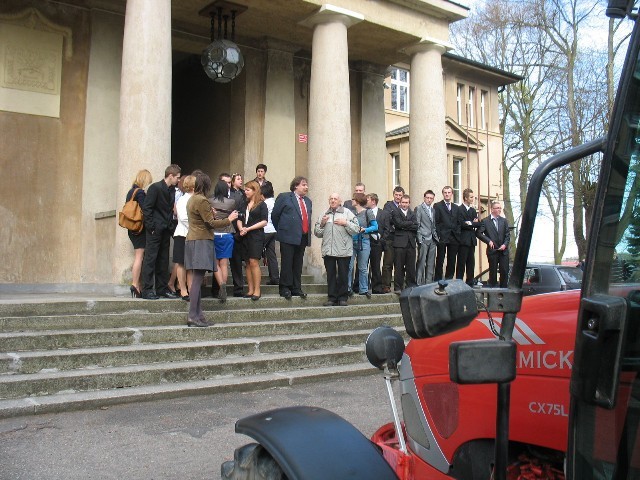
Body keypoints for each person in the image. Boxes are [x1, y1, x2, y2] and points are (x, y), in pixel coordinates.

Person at [185, 173, 237, 327]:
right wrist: (229, 220)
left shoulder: (192, 199)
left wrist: (211, 214)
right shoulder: (202, 200)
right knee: (197, 280)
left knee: (197, 278)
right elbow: (210, 224)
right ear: (206, 185)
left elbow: (201, 219)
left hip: (193, 239)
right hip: (201, 240)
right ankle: (193, 316)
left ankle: (198, 314)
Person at [140, 164, 181, 300]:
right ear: (171, 176)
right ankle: (147, 289)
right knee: (150, 259)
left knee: (163, 260)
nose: (179, 180)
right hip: (155, 230)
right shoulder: (155, 188)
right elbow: (147, 208)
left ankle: (161, 289)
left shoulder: (173, 190)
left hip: (165, 229)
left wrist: (170, 227)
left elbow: (169, 210)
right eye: (177, 178)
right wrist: (151, 227)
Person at [314, 193, 360, 306]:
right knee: (330, 275)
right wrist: (322, 224)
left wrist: (346, 223)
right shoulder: (324, 214)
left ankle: (343, 298)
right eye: (331, 199)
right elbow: (317, 233)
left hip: (343, 250)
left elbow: (356, 229)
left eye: (335, 199)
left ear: (340, 201)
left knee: (343, 275)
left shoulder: (347, 213)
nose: (333, 201)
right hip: (328, 250)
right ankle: (332, 298)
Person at [272, 176, 312, 300]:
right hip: (287, 236)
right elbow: (275, 215)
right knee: (287, 262)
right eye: (304, 184)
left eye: (306, 185)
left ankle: (296, 288)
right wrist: (282, 230)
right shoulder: (284, 197)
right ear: (296, 186)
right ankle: (285, 288)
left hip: (302, 236)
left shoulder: (308, 201)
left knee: (298, 263)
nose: (306, 187)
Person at [236, 180, 268, 300]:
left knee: (254, 262)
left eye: (248, 190)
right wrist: (241, 229)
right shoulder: (243, 204)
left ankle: (257, 290)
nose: (245, 192)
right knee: (247, 263)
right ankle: (250, 289)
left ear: (254, 190)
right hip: (245, 236)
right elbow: (239, 218)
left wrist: (248, 228)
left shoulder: (261, 204)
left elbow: (264, 221)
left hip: (256, 236)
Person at [209, 179, 237, 303]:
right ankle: (224, 285)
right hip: (227, 234)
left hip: (213, 233)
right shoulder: (232, 202)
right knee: (224, 264)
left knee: (216, 264)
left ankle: (221, 286)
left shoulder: (210, 201)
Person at [126, 169, 153, 298]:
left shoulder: (131, 192)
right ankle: (135, 284)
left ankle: (137, 285)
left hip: (132, 228)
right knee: (139, 256)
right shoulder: (140, 193)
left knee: (138, 255)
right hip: (140, 228)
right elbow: (146, 209)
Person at [348, 193, 378, 298]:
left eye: (353, 199)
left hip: (364, 241)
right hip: (351, 242)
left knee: (362, 267)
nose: (351, 200)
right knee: (349, 266)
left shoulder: (368, 212)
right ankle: (348, 288)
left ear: (358, 201)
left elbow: (375, 226)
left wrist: (365, 229)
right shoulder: (351, 212)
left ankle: (364, 289)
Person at [477, 200, 511, 288]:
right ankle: (493, 290)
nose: (500, 210)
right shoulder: (485, 221)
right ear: (492, 209)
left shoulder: (504, 221)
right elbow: (479, 233)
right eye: (498, 208)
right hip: (493, 251)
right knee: (493, 273)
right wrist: (488, 241)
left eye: (500, 208)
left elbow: (507, 235)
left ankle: (504, 290)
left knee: (504, 271)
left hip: (503, 251)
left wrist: (504, 245)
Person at [173, 174, 195, 301]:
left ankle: (192, 289)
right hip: (182, 234)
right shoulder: (182, 200)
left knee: (191, 264)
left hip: (193, 235)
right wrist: (197, 225)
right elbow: (183, 218)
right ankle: (183, 289)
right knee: (181, 263)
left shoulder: (197, 198)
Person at [391, 194, 418, 293]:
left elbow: (416, 226)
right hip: (399, 243)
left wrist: (405, 225)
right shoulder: (396, 212)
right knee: (399, 266)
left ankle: (410, 285)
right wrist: (410, 223)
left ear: (409, 203)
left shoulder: (412, 213)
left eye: (406, 203)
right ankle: (398, 287)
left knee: (411, 266)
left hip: (410, 243)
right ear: (400, 203)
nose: (404, 204)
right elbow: (398, 224)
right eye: (403, 202)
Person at [381, 186, 405, 293]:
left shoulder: (404, 206)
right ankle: (386, 285)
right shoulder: (388, 205)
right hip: (390, 237)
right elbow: (388, 218)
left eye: (400, 195)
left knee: (399, 264)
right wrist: (399, 222)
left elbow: (406, 220)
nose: (398, 197)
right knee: (388, 263)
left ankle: (398, 285)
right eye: (396, 195)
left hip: (401, 238)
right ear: (393, 195)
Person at [433, 185, 460, 281]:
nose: (447, 194)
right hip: (442, 237)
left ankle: (449, 279)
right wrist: (439, 235)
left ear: (452, 194)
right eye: (445, 192)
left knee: (452, 260)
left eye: (449, 192)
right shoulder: (437, 206)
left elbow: (458, 222)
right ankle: (438, 280)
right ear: (443, 194)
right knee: (440, 260)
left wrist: (457, 233)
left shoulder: (456, 207)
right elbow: (436, 222)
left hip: (454, 237)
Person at [456, 188, 481, 287]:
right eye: (471, 197)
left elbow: (477, 224)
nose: (473, 198)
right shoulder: (459, 209)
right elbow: (461, 224)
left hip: (471, 240)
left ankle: (470, 282)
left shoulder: (473, 210)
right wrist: (472, 223)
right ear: (465, 198)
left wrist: (470, 223)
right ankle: (459, 282)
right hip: (463, 240)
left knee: (471, 263)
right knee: (461, 262)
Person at [415, 189, 437, 285]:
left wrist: (436, 237)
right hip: (423, 238)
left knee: (431, 263)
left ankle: (429, 283)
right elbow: (417, 225)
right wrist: (419, 239)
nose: (429, 200)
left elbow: (434, 225)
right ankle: (419, 283)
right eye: (427, 198)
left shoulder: (433, 210)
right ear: (424, 198)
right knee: (421, 262)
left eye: (431, 198)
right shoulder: (419, 208)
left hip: (432, 239)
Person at [229, 173, 246, 297]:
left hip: (238, 232)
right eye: (238, 179)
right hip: (228, 229)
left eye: (241, 179)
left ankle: (239, 288)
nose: (241, 181)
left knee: (237, 261)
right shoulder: (228, 194)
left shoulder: (243, 194)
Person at [261, 183, 280, 286]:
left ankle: (252, 278)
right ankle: (275, 278)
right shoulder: (274, 202)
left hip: (265, 230)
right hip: (273, 230)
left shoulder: (264, 204)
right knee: (271, 255)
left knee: (252, 255)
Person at [366, 194, 385, 294]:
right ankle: (361, 286)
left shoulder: (383, 213)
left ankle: (377, 287)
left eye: (367, 199)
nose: (366, 201)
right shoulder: (364, 212)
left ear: (373, 201)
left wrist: (381, 239)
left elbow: (386, 228)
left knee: (376, 266)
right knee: (363, 265)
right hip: (366, 241)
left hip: (377, 244)